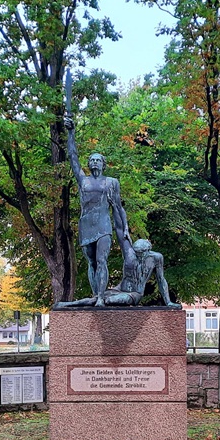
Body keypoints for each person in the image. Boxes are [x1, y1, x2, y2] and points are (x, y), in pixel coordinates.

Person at [64, 115, 136, 306]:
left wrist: (125, 228)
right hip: (86, 224)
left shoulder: (112, 182)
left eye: (98, 160)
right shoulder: (83, 180)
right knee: (91, 262)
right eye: (92, 160)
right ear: (89, 164)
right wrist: (71, 133)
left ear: (103, 164)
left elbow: (118, 207)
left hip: (104, 224)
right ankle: (96, 294)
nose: (95, 162)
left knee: (101, 260)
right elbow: (72, 157)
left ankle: (101, 299)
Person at [54, 239, 181, 309]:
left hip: (134, 294)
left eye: (140, 253)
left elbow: (161, 279)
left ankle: (75, 304)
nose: (137, 255)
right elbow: (122, 234)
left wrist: (168, 302)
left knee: (110, 300)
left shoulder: (157, 258)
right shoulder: (131, 256)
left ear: (148, 250)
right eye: (136, 252)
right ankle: (67, 304)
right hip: (119, 289)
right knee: (98, 298)